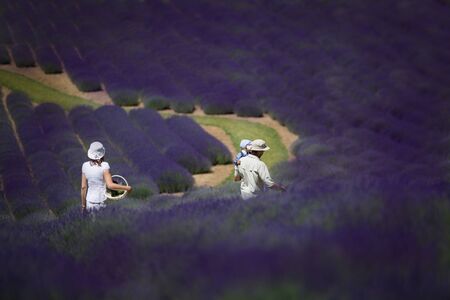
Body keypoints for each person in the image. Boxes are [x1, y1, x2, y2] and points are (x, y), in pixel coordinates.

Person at [81, 141, 132, 212]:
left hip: (89, 201)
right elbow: (110, 185)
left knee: (92, 222)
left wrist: (83, 205)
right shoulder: (104, 166)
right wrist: (127, 188)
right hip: (101, 201)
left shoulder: (85, 166)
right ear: (102, 154)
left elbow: (83, 187)